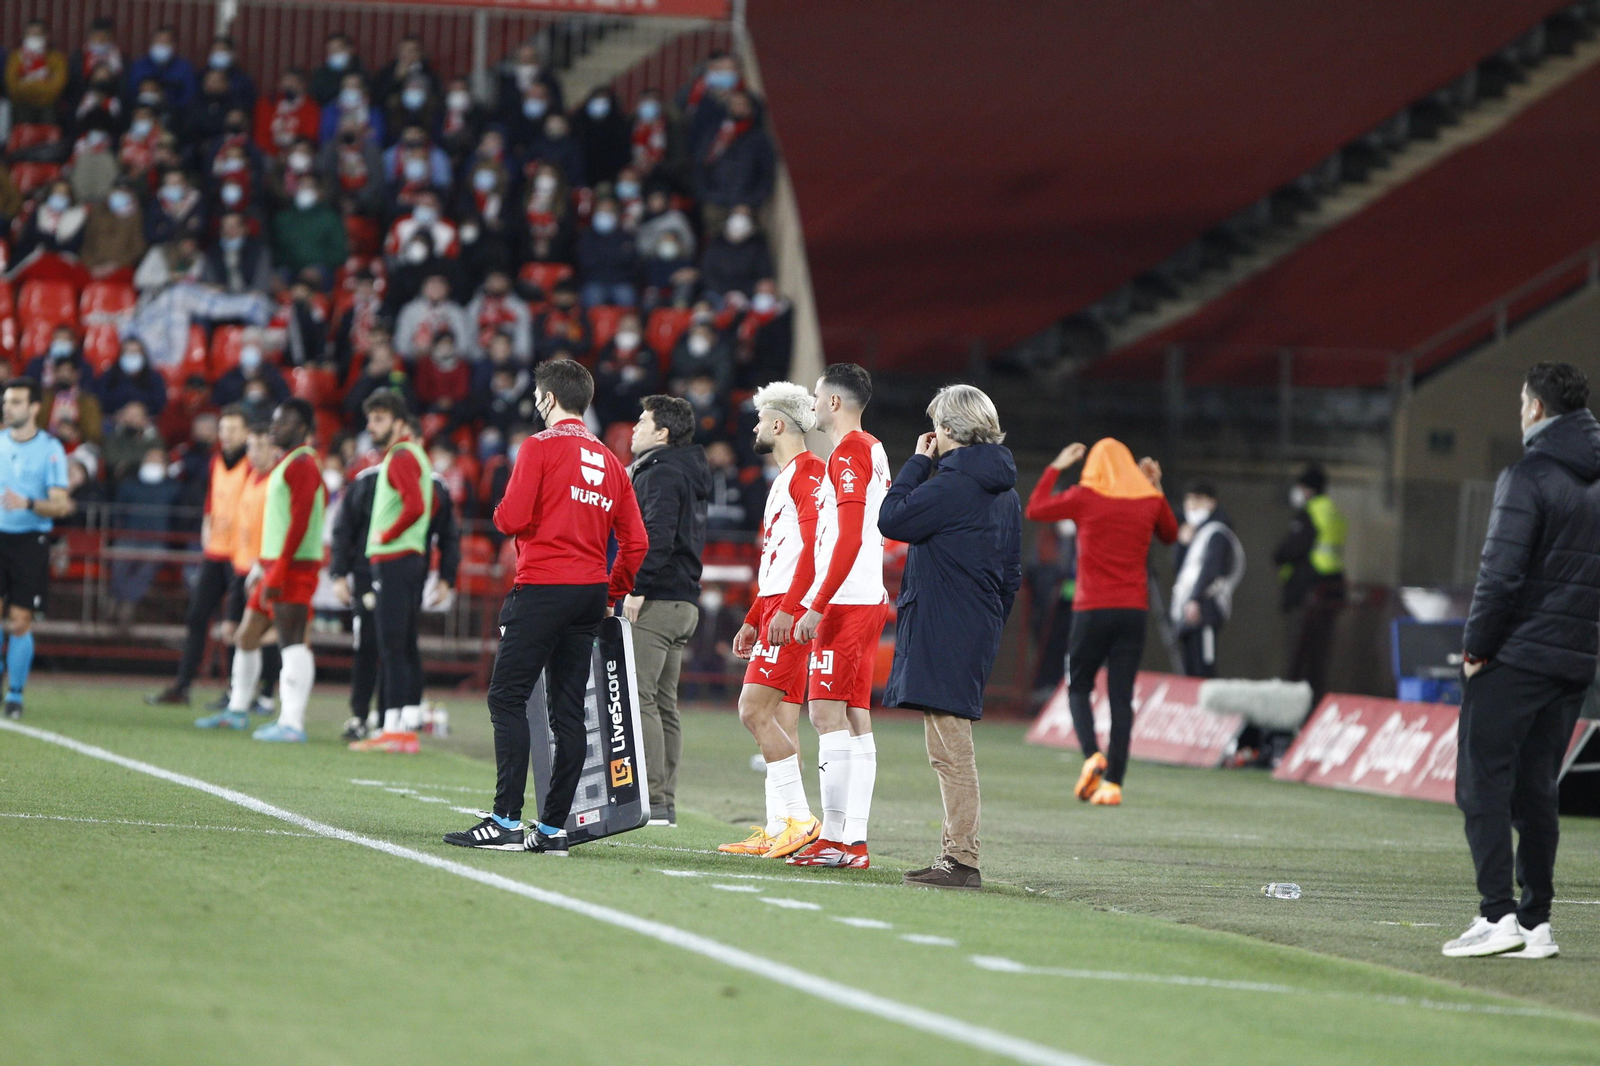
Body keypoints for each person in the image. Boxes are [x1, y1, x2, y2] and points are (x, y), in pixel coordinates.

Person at [444, 361, 647, 854]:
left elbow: (511, 516)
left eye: (538, 395)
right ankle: (554, 829)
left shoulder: (538, 446)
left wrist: (498, 512)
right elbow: (636, 542)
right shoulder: (612, 462)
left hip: (542, 587)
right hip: (588, 593)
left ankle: (507, 821)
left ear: (549, 400)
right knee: (568, 714)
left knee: (506, 698)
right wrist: (611, 593)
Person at [1444, 363, 1600, 961]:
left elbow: (1499, 575)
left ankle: (1497, 915)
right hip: (1573, 660)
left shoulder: (1528, 475)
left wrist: (1477, 647)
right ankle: (1537, 923)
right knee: (1538, 791)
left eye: (1520, 399)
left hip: (1516, 656)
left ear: (1536, 407)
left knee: (1481, 782)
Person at [879, 385, 1021, 890]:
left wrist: (917, 463)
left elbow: (891, 519)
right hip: (973, 625)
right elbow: (1012, 574)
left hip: (945, 625)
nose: (932, 434)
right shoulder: (1004, 491)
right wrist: (986, 621)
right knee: (946, 747)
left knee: (952, 748)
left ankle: (962, 859)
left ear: (950, 430)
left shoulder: (950, 486)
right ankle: (953, 855)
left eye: (936, 425)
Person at [1025, 438, 1177, 807]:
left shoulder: (1085, 497)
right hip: (1132, 611)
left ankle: (1093, 754)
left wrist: (1056, 466)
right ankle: (1113, 784)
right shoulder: (1149, 501)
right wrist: (1154, 486)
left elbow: (1036, 509)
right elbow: (1170, 535)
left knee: (1078, 687)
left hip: (1091, 609)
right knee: (1121, 698)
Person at [789, 363, 891, 869]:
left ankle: (835, 838)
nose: (811, 403)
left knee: (826, 714)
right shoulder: (869, 447)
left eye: (815, 395)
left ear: (833, 402)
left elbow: (848, 536)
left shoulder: (849, 453)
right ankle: (852, 840)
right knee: (854, 717)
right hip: (863, 595)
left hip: (847, 600)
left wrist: (816, 603)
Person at [721, 382, 825, 858]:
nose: (756, 427)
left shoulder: (806, 475)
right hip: (778, 604)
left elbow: (813, 549)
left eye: (761, 419)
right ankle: (779, 825)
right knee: (781, 718)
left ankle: (801, 820)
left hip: (791, 607)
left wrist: (789, 609)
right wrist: (754, 615)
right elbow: (777, 559)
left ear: (778, 424)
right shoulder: (786, 476)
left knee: (752, 710)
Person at [331, 428, 459, 741]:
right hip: (369, 573)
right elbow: (344, 529)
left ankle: (398, 720)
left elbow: (446, 533)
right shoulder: (369, 478)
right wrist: (339, 573)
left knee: (397, 643)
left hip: (398, 568)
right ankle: (366, 716)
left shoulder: (423, 476)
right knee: (375, 644)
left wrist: (446, 576)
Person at [212, 401, 326, 742]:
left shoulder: (303, 463)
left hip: (293, 566)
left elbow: (300, 522)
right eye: (274, 421)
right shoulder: (289, 462)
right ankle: (237, 709)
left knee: (292, 642)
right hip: (275, 564)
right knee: (247, 636)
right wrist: (264, 566)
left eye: (284, 422)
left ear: (303, 427)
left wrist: (279, 569)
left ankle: (292, 723)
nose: (275, 427)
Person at [624, 396, 709, 827]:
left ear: (662, 433)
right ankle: (664, 802)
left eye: (642, 422)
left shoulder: (660, 472)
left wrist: (636, 587)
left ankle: (653, 801)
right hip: (683, 600)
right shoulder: (687, 471)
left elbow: (655, 535)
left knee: (641, 701)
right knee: (663, 703)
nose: (633, 428)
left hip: (657, 599)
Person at [346, 391, 438, 753]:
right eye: (371, 419)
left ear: (399, 423)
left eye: (380, 419)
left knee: (392, 645)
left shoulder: (400, 456)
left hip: (396, 558)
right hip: (406, 559)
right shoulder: (411, 455)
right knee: (401, 644)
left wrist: (387, 533)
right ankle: (400, 726)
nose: (372, 426)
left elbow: (414, 507)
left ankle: (394, 730)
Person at [147, 406, 251, 705]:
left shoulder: (252, 466)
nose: (227, 435)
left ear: (246, 433)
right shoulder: (217, 461)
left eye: (233, 430)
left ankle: (236, 691)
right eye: (224, 429)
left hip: (241, 556)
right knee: (197, 618)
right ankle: (183, 686)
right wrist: (207, 521)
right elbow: (212, 499)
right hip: (216, 551)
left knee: (235, 623)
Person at [0, 379, 74, 719]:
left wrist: (27, 502)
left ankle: (15, 695)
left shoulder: (50, 449)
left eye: (16, 402)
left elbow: (61, 505)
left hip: (30, 540)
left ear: (33, 408)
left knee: (19, 621)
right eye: (6, 402)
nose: (8, 407)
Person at [1274, 464, 1346, 703]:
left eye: (1301, 487)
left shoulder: (1311, 512)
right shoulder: (1332, 510)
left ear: (1309, 489)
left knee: (1298, 655)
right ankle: (1315, 702)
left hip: (1308, 590)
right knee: (1319, 657)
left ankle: (1293, 706)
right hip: (1331, 588)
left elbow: (1293, 548)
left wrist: (1279, 555)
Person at [1170, 481, 1244, 679]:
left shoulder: (1217, 532)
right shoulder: (1196, 533)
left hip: (1205, 607)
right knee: (1191, 667)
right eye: (1189, 501)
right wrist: (1182, 544)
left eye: (1198, 500)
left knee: (1204, 667)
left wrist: (1195, 599)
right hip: (1189, 608)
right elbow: (1181, 569)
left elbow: (1210, 570)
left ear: (1212, 503)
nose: (1192, 506)